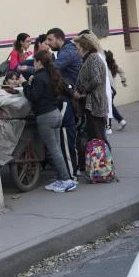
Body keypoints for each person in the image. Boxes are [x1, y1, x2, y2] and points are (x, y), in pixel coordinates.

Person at [23, 49, 76, 193]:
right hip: (56, 114)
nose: (34, 64)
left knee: (54, 150)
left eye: (34, 61)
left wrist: (25, 84)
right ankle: (61, 178)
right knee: (57, 149)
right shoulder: (51, 74)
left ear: (39, 62)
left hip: (45, 117)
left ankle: (66, 180)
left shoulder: (39, 77)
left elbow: (33, 96)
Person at [45, 27, 82, 177]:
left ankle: (70, 176)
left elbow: (53, 68)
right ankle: (73, 171)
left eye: (50, 39)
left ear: (59, 39)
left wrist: (28, 68)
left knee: (66, 136)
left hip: (68, 99)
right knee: (68, 137)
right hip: (70, 97)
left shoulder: (66, 52)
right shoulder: (65, 51)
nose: (48, 43)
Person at [71, 33, 109, 147]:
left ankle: (103, 158)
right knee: (96, 136)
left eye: (78, 48)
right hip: (92, 104)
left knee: (98, 137)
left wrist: (83, 92)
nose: (77, 51)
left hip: (94, 105)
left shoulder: (93, 58)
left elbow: (96, 79)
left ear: (85, 48)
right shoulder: (90, 58)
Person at [104, 50, 129, 131]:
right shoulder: (113, 65)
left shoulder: (105, 67)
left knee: (109, 107)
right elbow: (121, 71)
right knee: (109, 106)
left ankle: (118, 121)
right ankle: (119, 121)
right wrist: (123, 81)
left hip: (109, 89)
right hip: (113, 89)